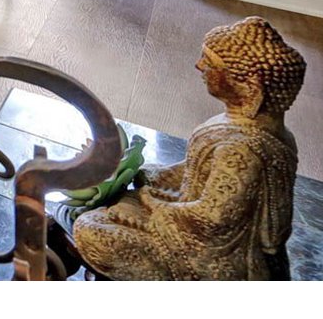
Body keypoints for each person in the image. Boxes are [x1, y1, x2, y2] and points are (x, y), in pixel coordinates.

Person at [73, 16, 306, 280]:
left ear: (249, 89)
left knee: (90, 229)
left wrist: (151, 205)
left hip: (210, 254)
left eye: (211, 63)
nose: (199, 66)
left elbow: (212, 218)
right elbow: (197, 169)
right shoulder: (244, 128)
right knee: (145, 174)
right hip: (187, 213)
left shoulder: (242, 150)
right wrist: (155, 177)